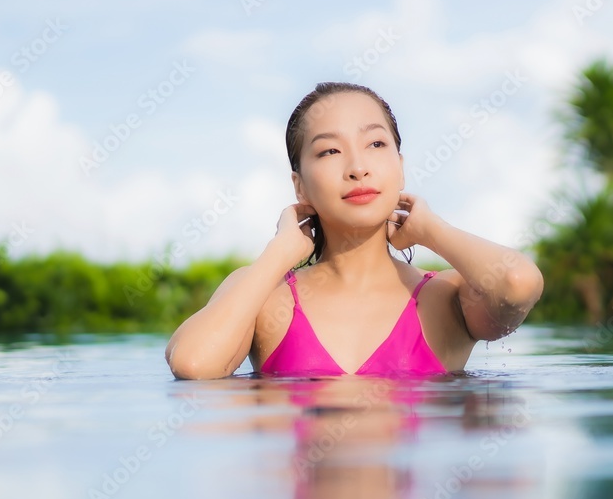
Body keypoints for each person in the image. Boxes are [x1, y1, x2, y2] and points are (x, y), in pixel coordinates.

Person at [165, 82, 543, 379]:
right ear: (299, 186)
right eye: (330, 151)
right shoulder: (265, 296)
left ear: (400, 166)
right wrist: (279, 252)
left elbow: (518, 283)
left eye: (376, 143)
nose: (357, 167)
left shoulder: (446, 300)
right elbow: (194, 364)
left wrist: (432, 229)